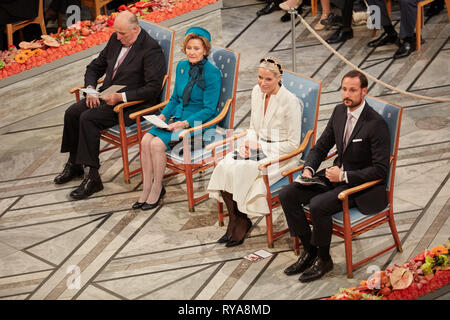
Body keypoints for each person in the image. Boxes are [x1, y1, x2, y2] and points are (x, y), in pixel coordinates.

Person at [279, 70, 390, 282]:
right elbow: (321, 146)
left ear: (364, 91)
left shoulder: (375, 124)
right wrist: (309, 169)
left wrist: (345, 176)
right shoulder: (340, 111)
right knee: (288, 194)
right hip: (335, 175)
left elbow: (380, 170)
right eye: (344, 89)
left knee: (319, 204)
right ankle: (309, 250)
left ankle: (324, 259)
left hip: (361, 185)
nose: (347, 94)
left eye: (353, 90)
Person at [54, 10, 166, 200]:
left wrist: (120, 97)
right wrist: (90, 89)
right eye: (116, 32)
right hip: (106, 95)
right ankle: (75, 165)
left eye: (122, 33)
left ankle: (93, 177)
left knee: (88, 119)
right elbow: (94, 66)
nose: (117, 36)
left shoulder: (150, 49)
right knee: (72, 112)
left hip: (130, 104)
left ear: (136, 29)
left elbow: (153, 89)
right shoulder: (116, 40)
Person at [207, 57, 303, 247]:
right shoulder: (256, 92)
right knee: (225, 166)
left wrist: (262, 147)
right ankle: (236, 218)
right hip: (257, 148)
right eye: (260, 77)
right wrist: (248, 142)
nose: (262, 83)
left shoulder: (290, 101)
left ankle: (242, 220)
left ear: (278, 78)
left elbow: (293, 145)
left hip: (281, 155)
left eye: (268, 79)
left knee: (241, 170)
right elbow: (253, 127)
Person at [132, 27, 221, 211]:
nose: (192, 52)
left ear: (205, 50)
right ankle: (147, 187)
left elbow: (209, 109)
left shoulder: (212, 73)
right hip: (175, 118)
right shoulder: (181, 66)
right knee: (146, 139)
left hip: (197, 125)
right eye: (189, 48)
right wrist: (163, 115)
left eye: (197, 48)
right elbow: (174, 98)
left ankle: (157, 189)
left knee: (156, 145)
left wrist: (184, 123)